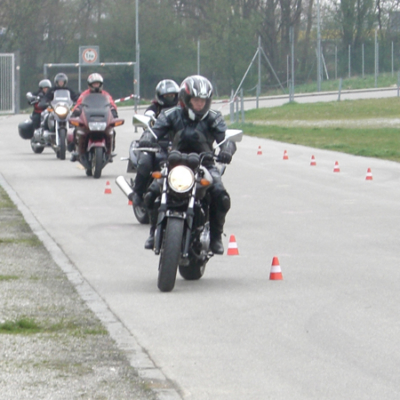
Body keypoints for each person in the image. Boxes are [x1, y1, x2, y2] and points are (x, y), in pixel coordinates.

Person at [139, 75, 236, 254]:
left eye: (203, 101)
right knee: (151, 193)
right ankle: (153, 232)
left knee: (221, 196)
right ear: (185, 99)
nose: (199, 104)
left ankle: (215, 236)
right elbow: (155, 131)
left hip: (205, 164)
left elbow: (226, 138)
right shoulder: (171, 114)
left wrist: (227, 149)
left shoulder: (214, 118)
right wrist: (147, 139)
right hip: (174, 163)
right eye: (196, 100)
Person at [131, 79, 180, 207]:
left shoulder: (181, 109)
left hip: (175, 143)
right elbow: (147, 119)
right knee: (146, 162)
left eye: (172, 95)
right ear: (160, 96)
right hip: (154, 142)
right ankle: (138, 192)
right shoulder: (154, 108)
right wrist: (148, 135)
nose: (170, 98)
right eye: (167, 96)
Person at [69, 73, 118, 162]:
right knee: (77, 129)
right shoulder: (84, 95)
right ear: (90, 85)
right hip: (88, 117)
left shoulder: (106, 95)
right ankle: (75, 149)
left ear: (101, 84)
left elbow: (111, 104)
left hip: (102, 117)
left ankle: (109, 151)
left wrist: (113, 111)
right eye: (94, 84)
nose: (96, 85)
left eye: (97, 84)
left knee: (112, 131)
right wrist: (76, 111)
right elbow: (79, 104)